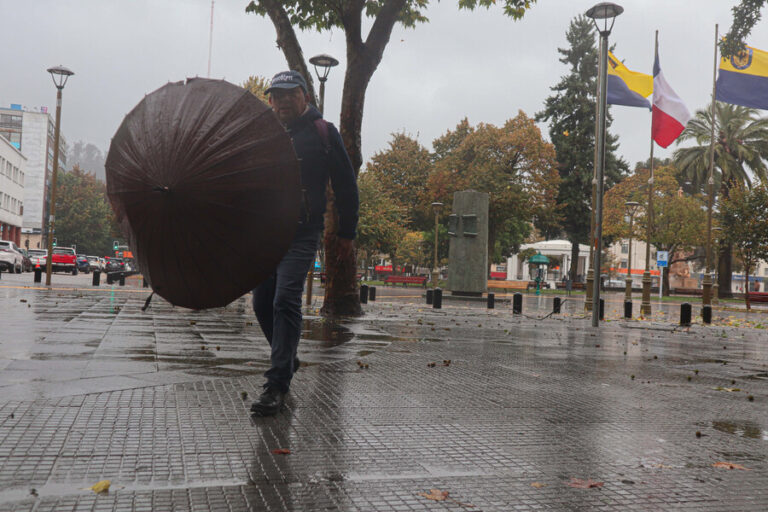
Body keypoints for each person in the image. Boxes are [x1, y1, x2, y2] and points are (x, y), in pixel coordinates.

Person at [250, 70, 359, 417]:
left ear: (305, 97)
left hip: (302, 232)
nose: (283, 100)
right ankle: (287, 357)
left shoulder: (323, 132)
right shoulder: (263, 133)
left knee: (285, 299)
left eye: (290, 94)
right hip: (266, 234)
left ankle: (276, 385)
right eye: (277, 95)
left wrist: (346, 233)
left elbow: (346, 185)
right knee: (261, 302)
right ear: (270, 100)